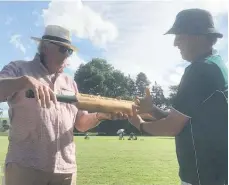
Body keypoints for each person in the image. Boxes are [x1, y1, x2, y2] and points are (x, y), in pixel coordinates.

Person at [0, 25, 127, 185]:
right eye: (63, 49)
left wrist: (101, 115)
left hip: (65, 170)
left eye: (70, 51)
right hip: (26, 166)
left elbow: (80, 123)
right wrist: (24, 81)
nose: (68, 55)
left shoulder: (70, 83)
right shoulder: (18, 69)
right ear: (45, 47)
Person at [128, 9, 228, 185]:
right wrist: (151, 109)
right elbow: (183, 121)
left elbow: (172, 126)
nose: (175, 43)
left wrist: (140, 125)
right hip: (214, 174)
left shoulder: (200, 69)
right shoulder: (215, 65)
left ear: (197, 36)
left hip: (203, 176)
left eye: (179, 36)